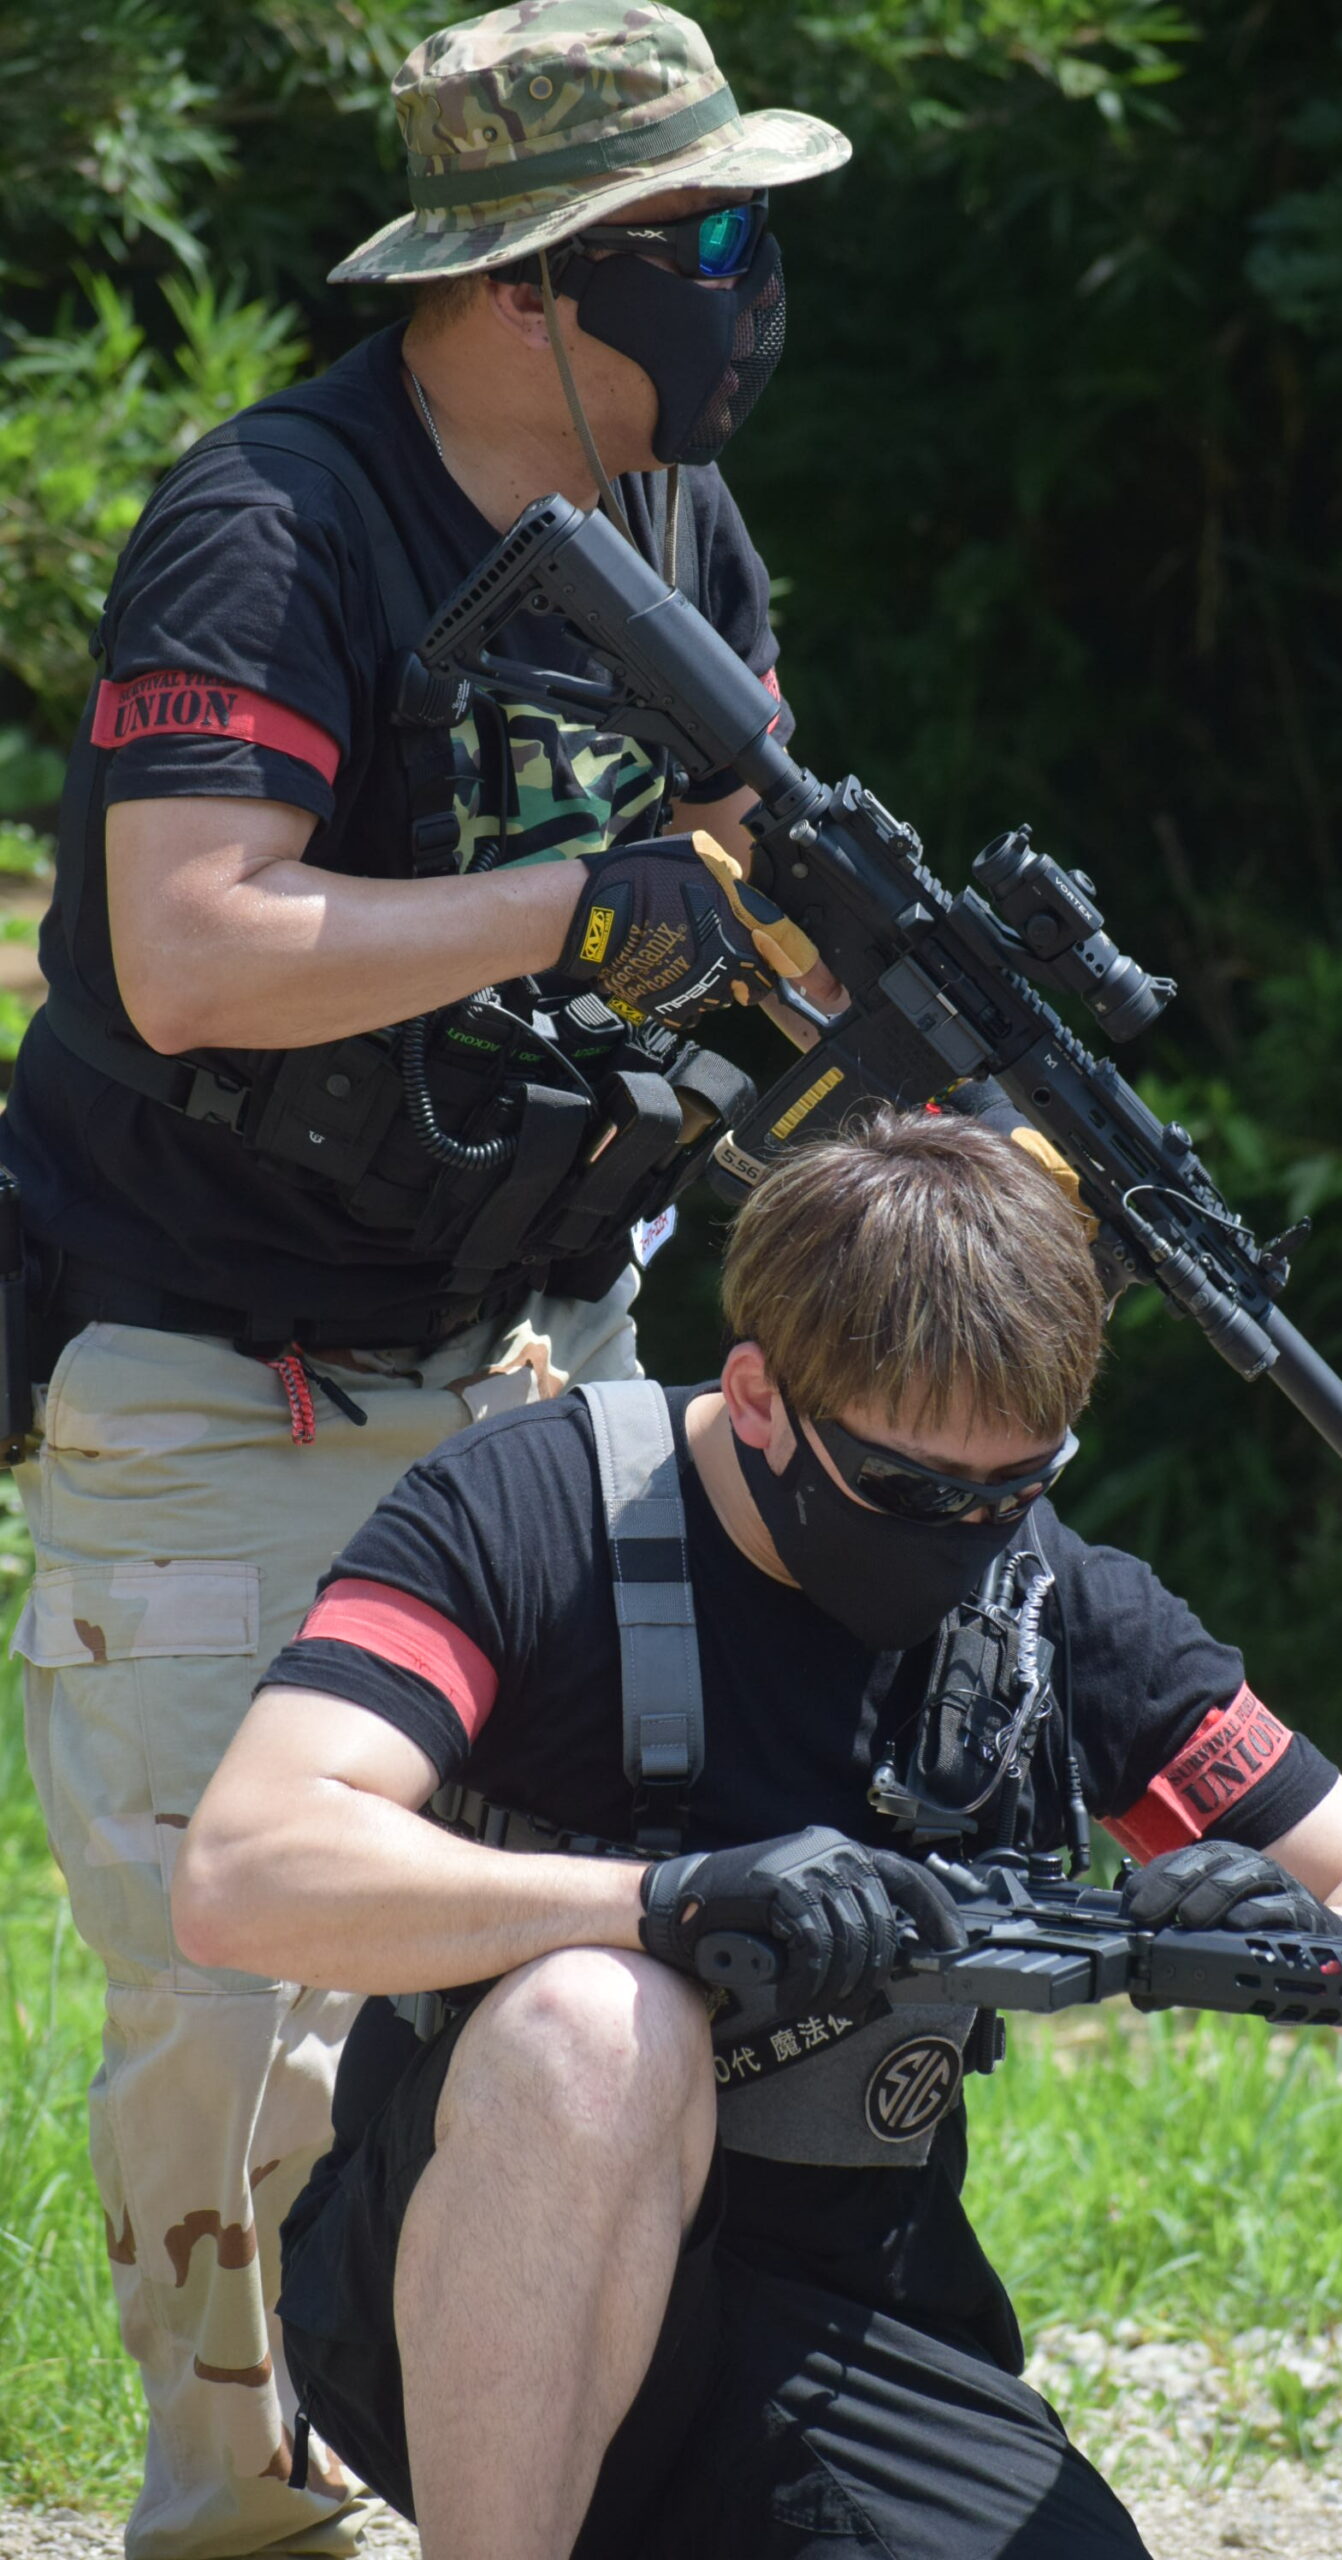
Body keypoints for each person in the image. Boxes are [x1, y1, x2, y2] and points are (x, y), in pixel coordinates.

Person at [1, 7, 849, 2552]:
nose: (746, 286)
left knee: (599, 1967)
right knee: (250, 2022)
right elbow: (192, 947)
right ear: (517, 282)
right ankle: (252, 2518)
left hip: (543, 1364)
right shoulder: (277, 526)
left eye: (750, 228)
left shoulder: (671, 515)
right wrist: (583, 904)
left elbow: (755, 865)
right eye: (700, 238)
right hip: (223, 1374)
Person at [175, 1111, 1342, 2560]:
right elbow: (247, 1869)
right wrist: (663, 1902)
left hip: (841, 2317)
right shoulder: (532, 1512)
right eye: (914, 1491)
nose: (970, 1535)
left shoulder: (1060, 1607)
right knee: (594, 2017)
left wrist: (1302, 1933)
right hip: (472, 2271)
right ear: (760, 1397)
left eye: (1018, 1486)